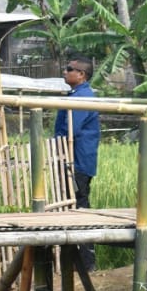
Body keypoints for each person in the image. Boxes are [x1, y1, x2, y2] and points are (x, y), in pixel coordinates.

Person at [54, 55, 100, 269]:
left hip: (77, 162)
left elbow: (71, 128)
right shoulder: (76, 94)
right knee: (74, 206)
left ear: (81, 74)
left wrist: (56, 144)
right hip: (74, 159)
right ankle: (76, 261)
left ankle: (86, 262)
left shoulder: (82, 97)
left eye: (69, 68)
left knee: (79, 206)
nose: (65, 71)